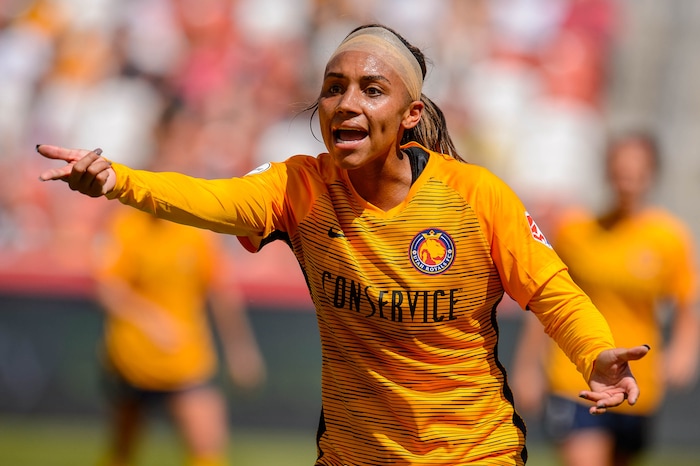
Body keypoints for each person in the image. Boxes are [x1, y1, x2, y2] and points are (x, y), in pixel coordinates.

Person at [37, 24, 649, 466]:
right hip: (353, 454)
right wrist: (119, 181)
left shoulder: (475, 195)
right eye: (334, 87)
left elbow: (551, 290)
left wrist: (594, 352)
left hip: (471, 452)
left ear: (410, 115)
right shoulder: (300, 186)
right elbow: (212, 200)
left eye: (371, 90)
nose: (347, 103)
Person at [510, 131, 700, 466]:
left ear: (651, 175)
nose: (627, 181)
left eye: (636, 172)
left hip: (636, 381)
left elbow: (687, 300)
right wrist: (527, 367)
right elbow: (546, 301)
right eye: (621, 171)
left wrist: (685, 349)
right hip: (575, 376)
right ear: (607, 171)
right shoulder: (575, 231)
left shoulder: (669, 238)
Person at [92, 103, 266, 466]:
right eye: (178, 143)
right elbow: (108, 286)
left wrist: (240, 349)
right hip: (132, 357)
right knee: (122, 452)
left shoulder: (197, 222)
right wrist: (150, 320)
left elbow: (219, 289)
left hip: (186, 358)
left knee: (207, 451)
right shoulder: (127, 219)